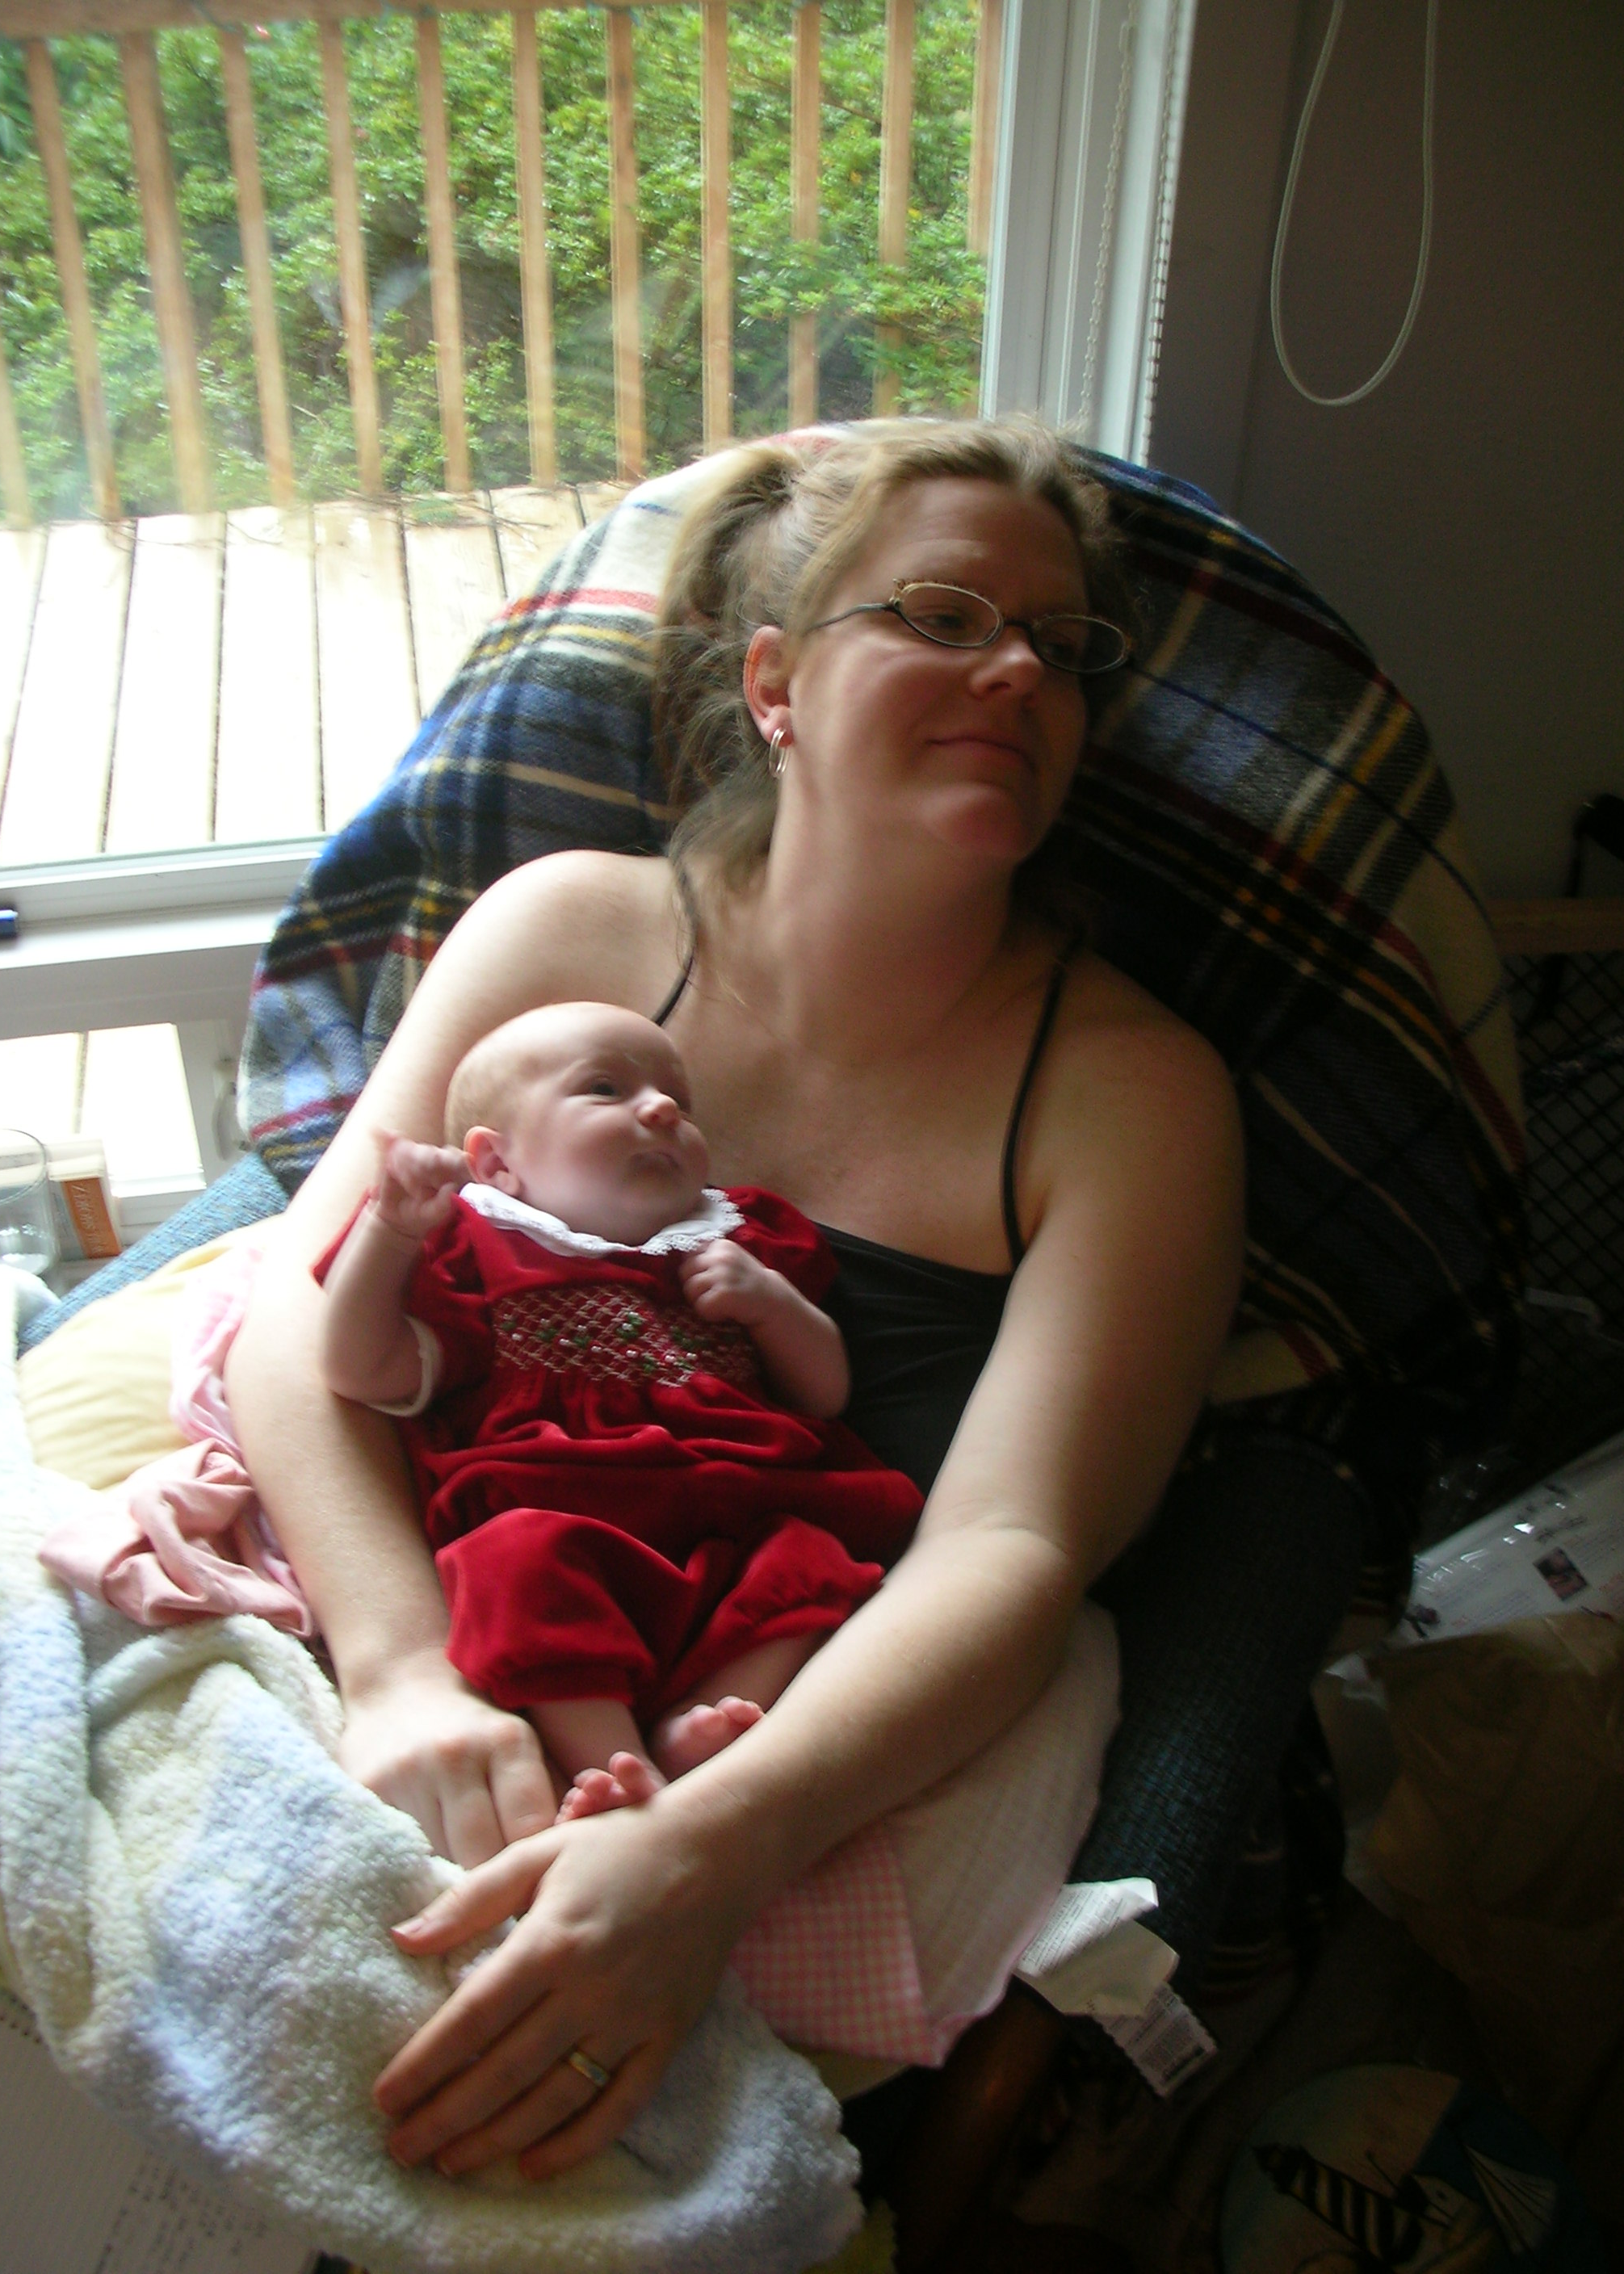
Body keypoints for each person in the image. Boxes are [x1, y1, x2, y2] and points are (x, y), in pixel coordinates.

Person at [224, 419, 1244, 2192]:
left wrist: (705, 1855)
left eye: (1062, 645)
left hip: (777, 1731)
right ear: (773, 683)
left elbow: (1012, 1546)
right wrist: (400, 1672)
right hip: (441, 1614)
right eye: (940, 614)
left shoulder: (1134, 1097)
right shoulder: (563, 934)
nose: (1018, 670)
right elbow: (298, 1328)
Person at [316, 1000, 923, 1816]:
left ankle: (705, 1718)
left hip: (740, 1514)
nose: (664, 1107)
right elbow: (357, 1369)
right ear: (496, 1164)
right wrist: (390, 1230)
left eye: (680, 1101)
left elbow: (825, 1395)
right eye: (606, 1088)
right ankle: (611, 1762)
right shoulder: (477, 1247)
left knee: (816, 1562)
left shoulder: (741, 1241)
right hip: (566, 1518)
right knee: (511, 1562)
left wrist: (773, 1305)